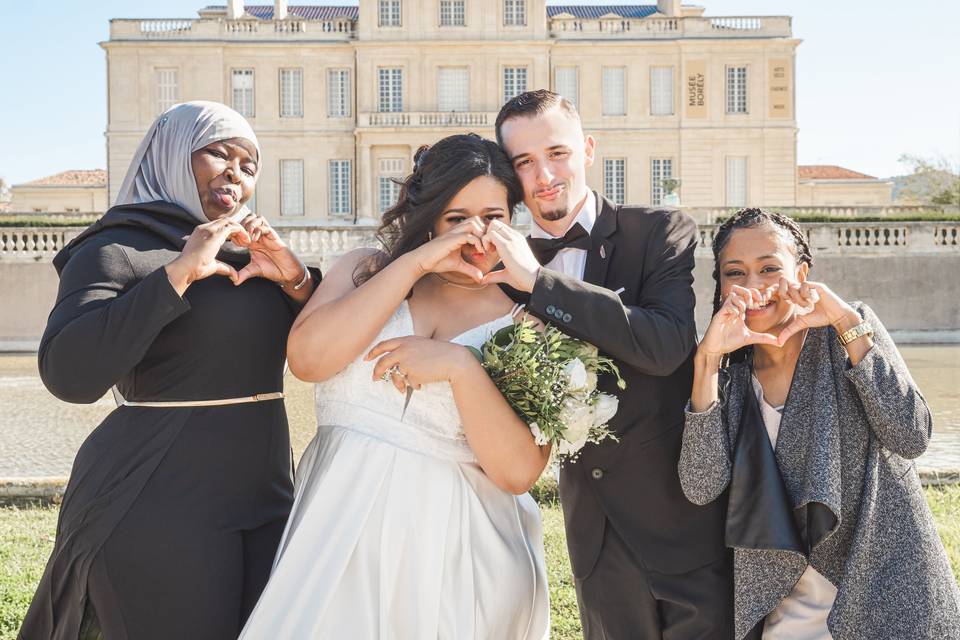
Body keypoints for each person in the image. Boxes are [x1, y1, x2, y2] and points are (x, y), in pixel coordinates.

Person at [19, 101, 318, 640]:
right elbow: (68, 373)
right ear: (173, 155)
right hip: (158, 498)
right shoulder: (115, 247)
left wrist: (296, 282)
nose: (236, 172)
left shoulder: (250, 253)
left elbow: (319, 353)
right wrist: (178, 274)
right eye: (218, 153)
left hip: (265, 491)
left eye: (249, 165)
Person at [239, 134, 550, 639]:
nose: (476, 235)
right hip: (335, 538)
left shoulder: (529, 316)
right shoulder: (364, 269)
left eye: (493, 217)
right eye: (457, 219)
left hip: (459, 555)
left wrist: (459, 366)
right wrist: (414, 264)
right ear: (427, 217)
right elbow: (309, 361)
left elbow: (519, 472)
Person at [488, 89, 733, 638]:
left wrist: (538, 283)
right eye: (524, 162)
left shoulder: (660, 233)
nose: (544, 174)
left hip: (682, 522)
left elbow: (667, 345)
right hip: (594, 534)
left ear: (588, 149)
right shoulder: (492, 267)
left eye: (557, 153)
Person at [679, 207, 960, 639]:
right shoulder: (729, 373)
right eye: (735, 273)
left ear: (802, 272)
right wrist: (707, 362)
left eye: (770, 268)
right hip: (782, 612)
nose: (753, 286)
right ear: (719, 285)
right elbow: (701, 485)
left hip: (886, 595)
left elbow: (911, 435)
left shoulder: (845, 333)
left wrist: (848, 322)